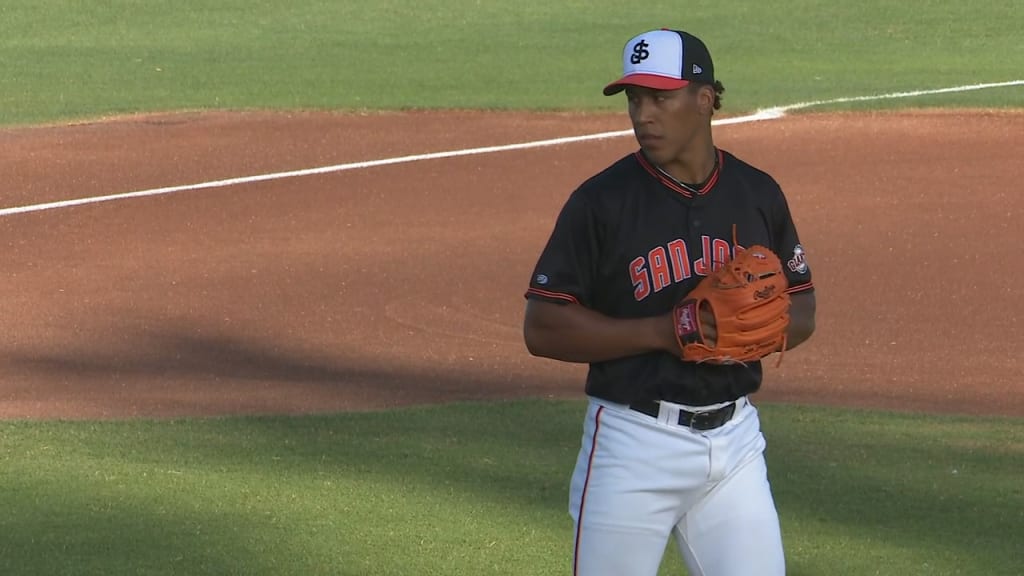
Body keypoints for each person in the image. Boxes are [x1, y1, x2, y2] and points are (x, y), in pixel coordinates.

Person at [522, 28, 816, 576]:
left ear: (704, 100)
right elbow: (542, 326)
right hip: (633, 444)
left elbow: (802, 308)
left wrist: (754, 331)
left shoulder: (757, 193)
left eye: (660, 97)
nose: (643, 114)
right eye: (635, 99)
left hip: (735, 444)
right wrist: (664, 331)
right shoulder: (600, 202)